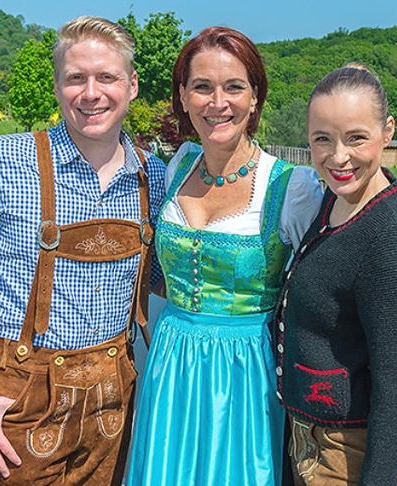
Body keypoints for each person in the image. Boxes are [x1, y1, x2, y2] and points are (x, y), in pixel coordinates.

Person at [0, 16, 166, 486]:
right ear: (58, 86)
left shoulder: (152, 175)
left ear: (132, 85)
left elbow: (159, 277)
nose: (91, 93)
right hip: (19, 399)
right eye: (76, 78)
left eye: (107, 77)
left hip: (115, 399)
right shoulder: (3, 160)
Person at [127, 27, 323, 485]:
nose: (219, 102)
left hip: (246, 371)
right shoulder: (176, 166)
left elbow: (335, 277)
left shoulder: (292, 188)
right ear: (183, 96)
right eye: (202, 87)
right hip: (171, 360)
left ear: (255, 97)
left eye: (234, 87)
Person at [275, 63, 397, 485]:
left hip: (349, 450)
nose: (338, 156)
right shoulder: (335, 199)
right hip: (308, 432)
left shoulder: (391, 236)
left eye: (356, 138)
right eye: (322, 139)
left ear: (387, 131)